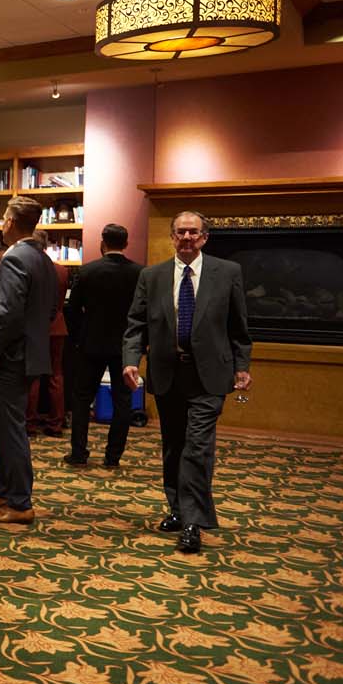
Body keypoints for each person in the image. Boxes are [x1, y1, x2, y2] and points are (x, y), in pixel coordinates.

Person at [123, 212, 252, 554]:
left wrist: (242, 366)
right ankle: (177, 510)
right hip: (168, 374)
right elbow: (135, 325)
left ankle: (194, 523)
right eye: (181, 232)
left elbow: (238, 327)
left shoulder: (227, 273)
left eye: (193, 232)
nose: (187, 237)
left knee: (197, 448)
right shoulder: (151, 277)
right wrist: (130, 362)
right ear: (172, 236)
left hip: (209, 375)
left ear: (204, 237)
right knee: (174, 446)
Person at [0, 196, 55, 526]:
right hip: (32, 352)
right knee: (6, 424)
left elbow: (8, 314)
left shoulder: (14, 259)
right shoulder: (42, 257)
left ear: (11, 221)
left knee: (11, 428)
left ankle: (19, 501)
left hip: (11, 356)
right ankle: (1, 488)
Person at [66, 224, 142, 468]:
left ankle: (78, 452)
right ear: (126, 243)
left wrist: (78, 336)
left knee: (81, 399)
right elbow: (143, 313)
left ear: (102, 242)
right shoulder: (139, 273)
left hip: (90, 343)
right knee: (123, 400)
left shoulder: (87, 271)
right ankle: (113, 456)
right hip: (125, 346)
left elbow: (73, 308)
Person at [26, 231, 68, 437]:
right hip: (58, 327)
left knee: (33, 376)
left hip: (35, 327)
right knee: (56, 375)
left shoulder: (30, 267)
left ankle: (30, 423)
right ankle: (55, 423)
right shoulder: (61, 270)